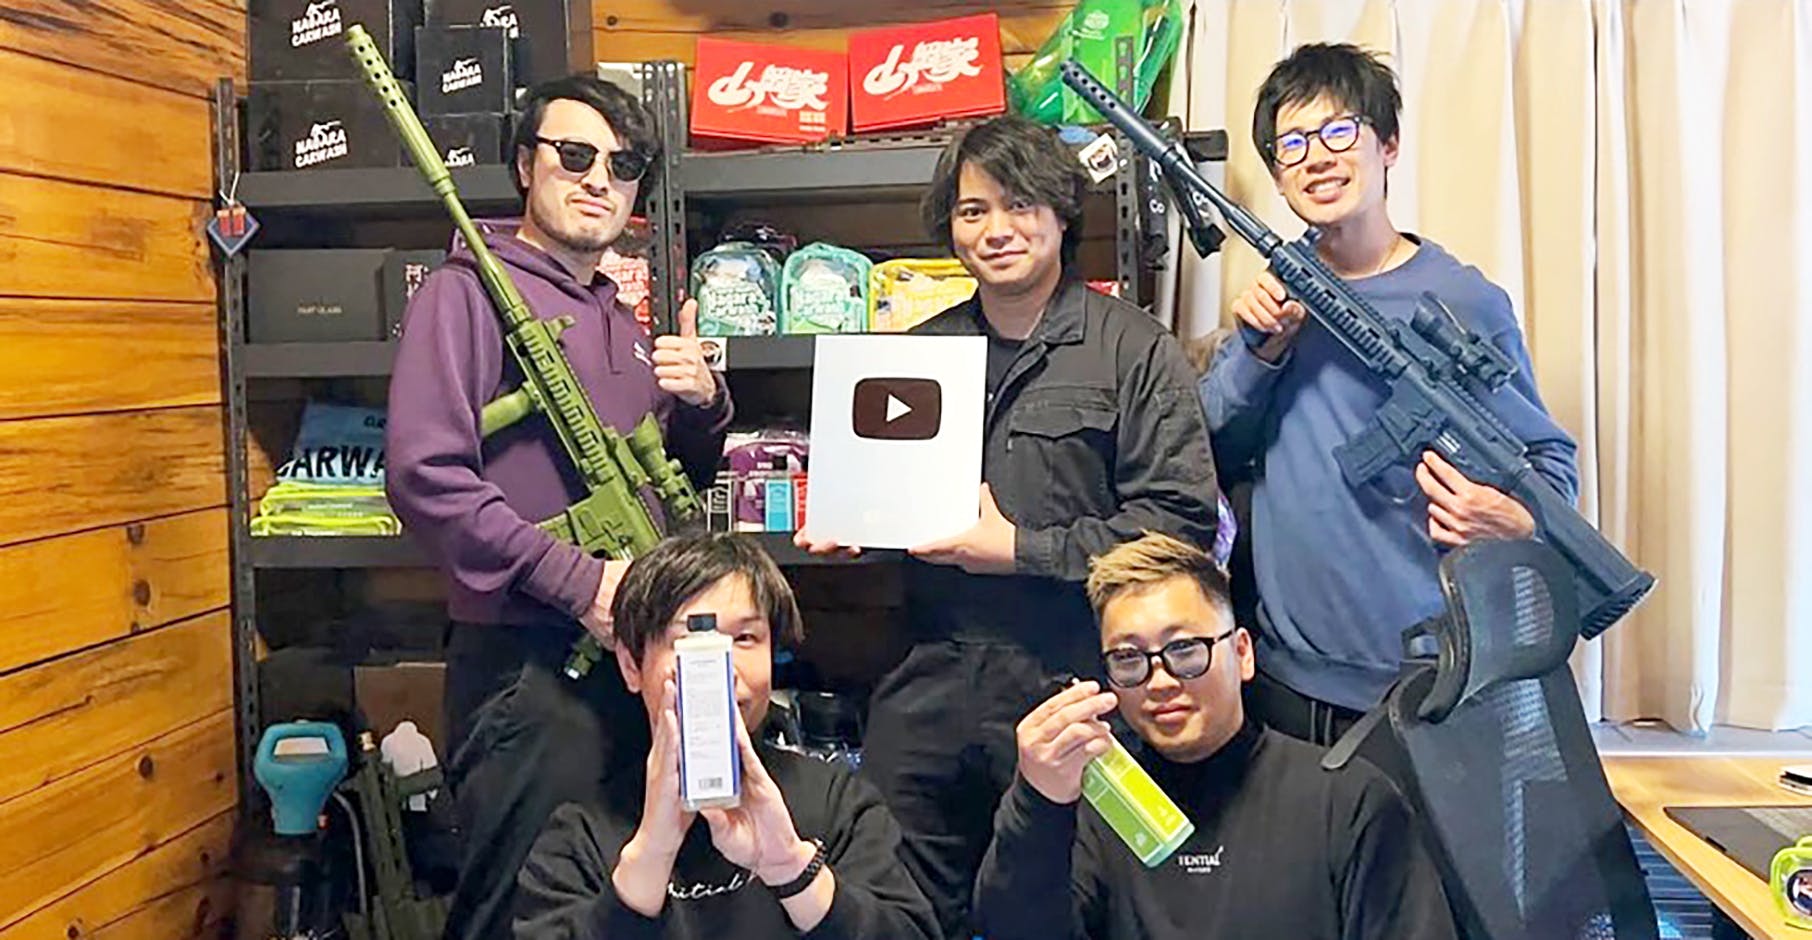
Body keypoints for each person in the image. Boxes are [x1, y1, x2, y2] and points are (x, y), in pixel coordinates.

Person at [797, 114, 1221, 938]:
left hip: (1073, 678)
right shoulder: (917, 353)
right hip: (927, 677)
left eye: (1019, 204)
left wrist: (1019, 549)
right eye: (973, 211)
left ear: (1061, 212)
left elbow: (1179, 529)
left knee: (1071, 901)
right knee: (902, 903)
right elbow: (898, 496)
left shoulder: (1134, 351)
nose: (996, 229)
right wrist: (858, 520)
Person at [385, 73, 732, 940]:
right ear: (523, 165)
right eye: (575, 155)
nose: (598, 180)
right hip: (530, 675)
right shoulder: (464, 294)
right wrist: (580, 583)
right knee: (521, 914)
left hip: (631, 665)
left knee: (624, 910)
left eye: (624, 165)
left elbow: (664, 486)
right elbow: (425, 476)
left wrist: (702, 407)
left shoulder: (621, 319)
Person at [1201, 43, 1579, 745]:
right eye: (1292, 144)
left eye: (1339, 131)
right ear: (1278, 176)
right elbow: (1211, 450)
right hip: (1285, 683)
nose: (1317, 157)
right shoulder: (1276, 295)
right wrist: (1259, 352)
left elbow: (1550, 466)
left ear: (1389, 145)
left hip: (1424, 684)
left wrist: (1514, 520)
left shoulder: (1464, 300)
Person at [972, 532, 1458, 940]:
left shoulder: (1347, 801)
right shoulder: (1091, 811)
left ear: (1242, 653)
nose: (1159, 681)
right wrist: (1038, 800)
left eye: (1185, 649)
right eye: (1128, 659)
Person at [512, 533, 938, 940]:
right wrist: (651, 855)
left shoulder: (838, 802)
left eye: (745, 638)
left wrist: (790, 867)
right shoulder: (580, 836)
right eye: (690, 640)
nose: (719, 667)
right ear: (630, 664)